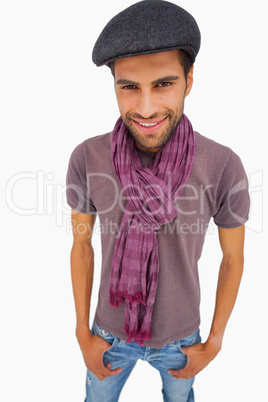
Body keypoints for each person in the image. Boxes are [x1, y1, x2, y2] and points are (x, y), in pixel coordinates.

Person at [66, 1, 250, 401]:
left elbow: (233, 258)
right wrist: (83, 332)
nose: (146, 108)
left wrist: (214, 341)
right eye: (129, 87)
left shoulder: (222, 164)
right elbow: (81, 245)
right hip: (109, 333)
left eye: (163, 84)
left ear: (190, 80)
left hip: (182, 339)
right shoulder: (87, 157)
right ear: (114, 85)